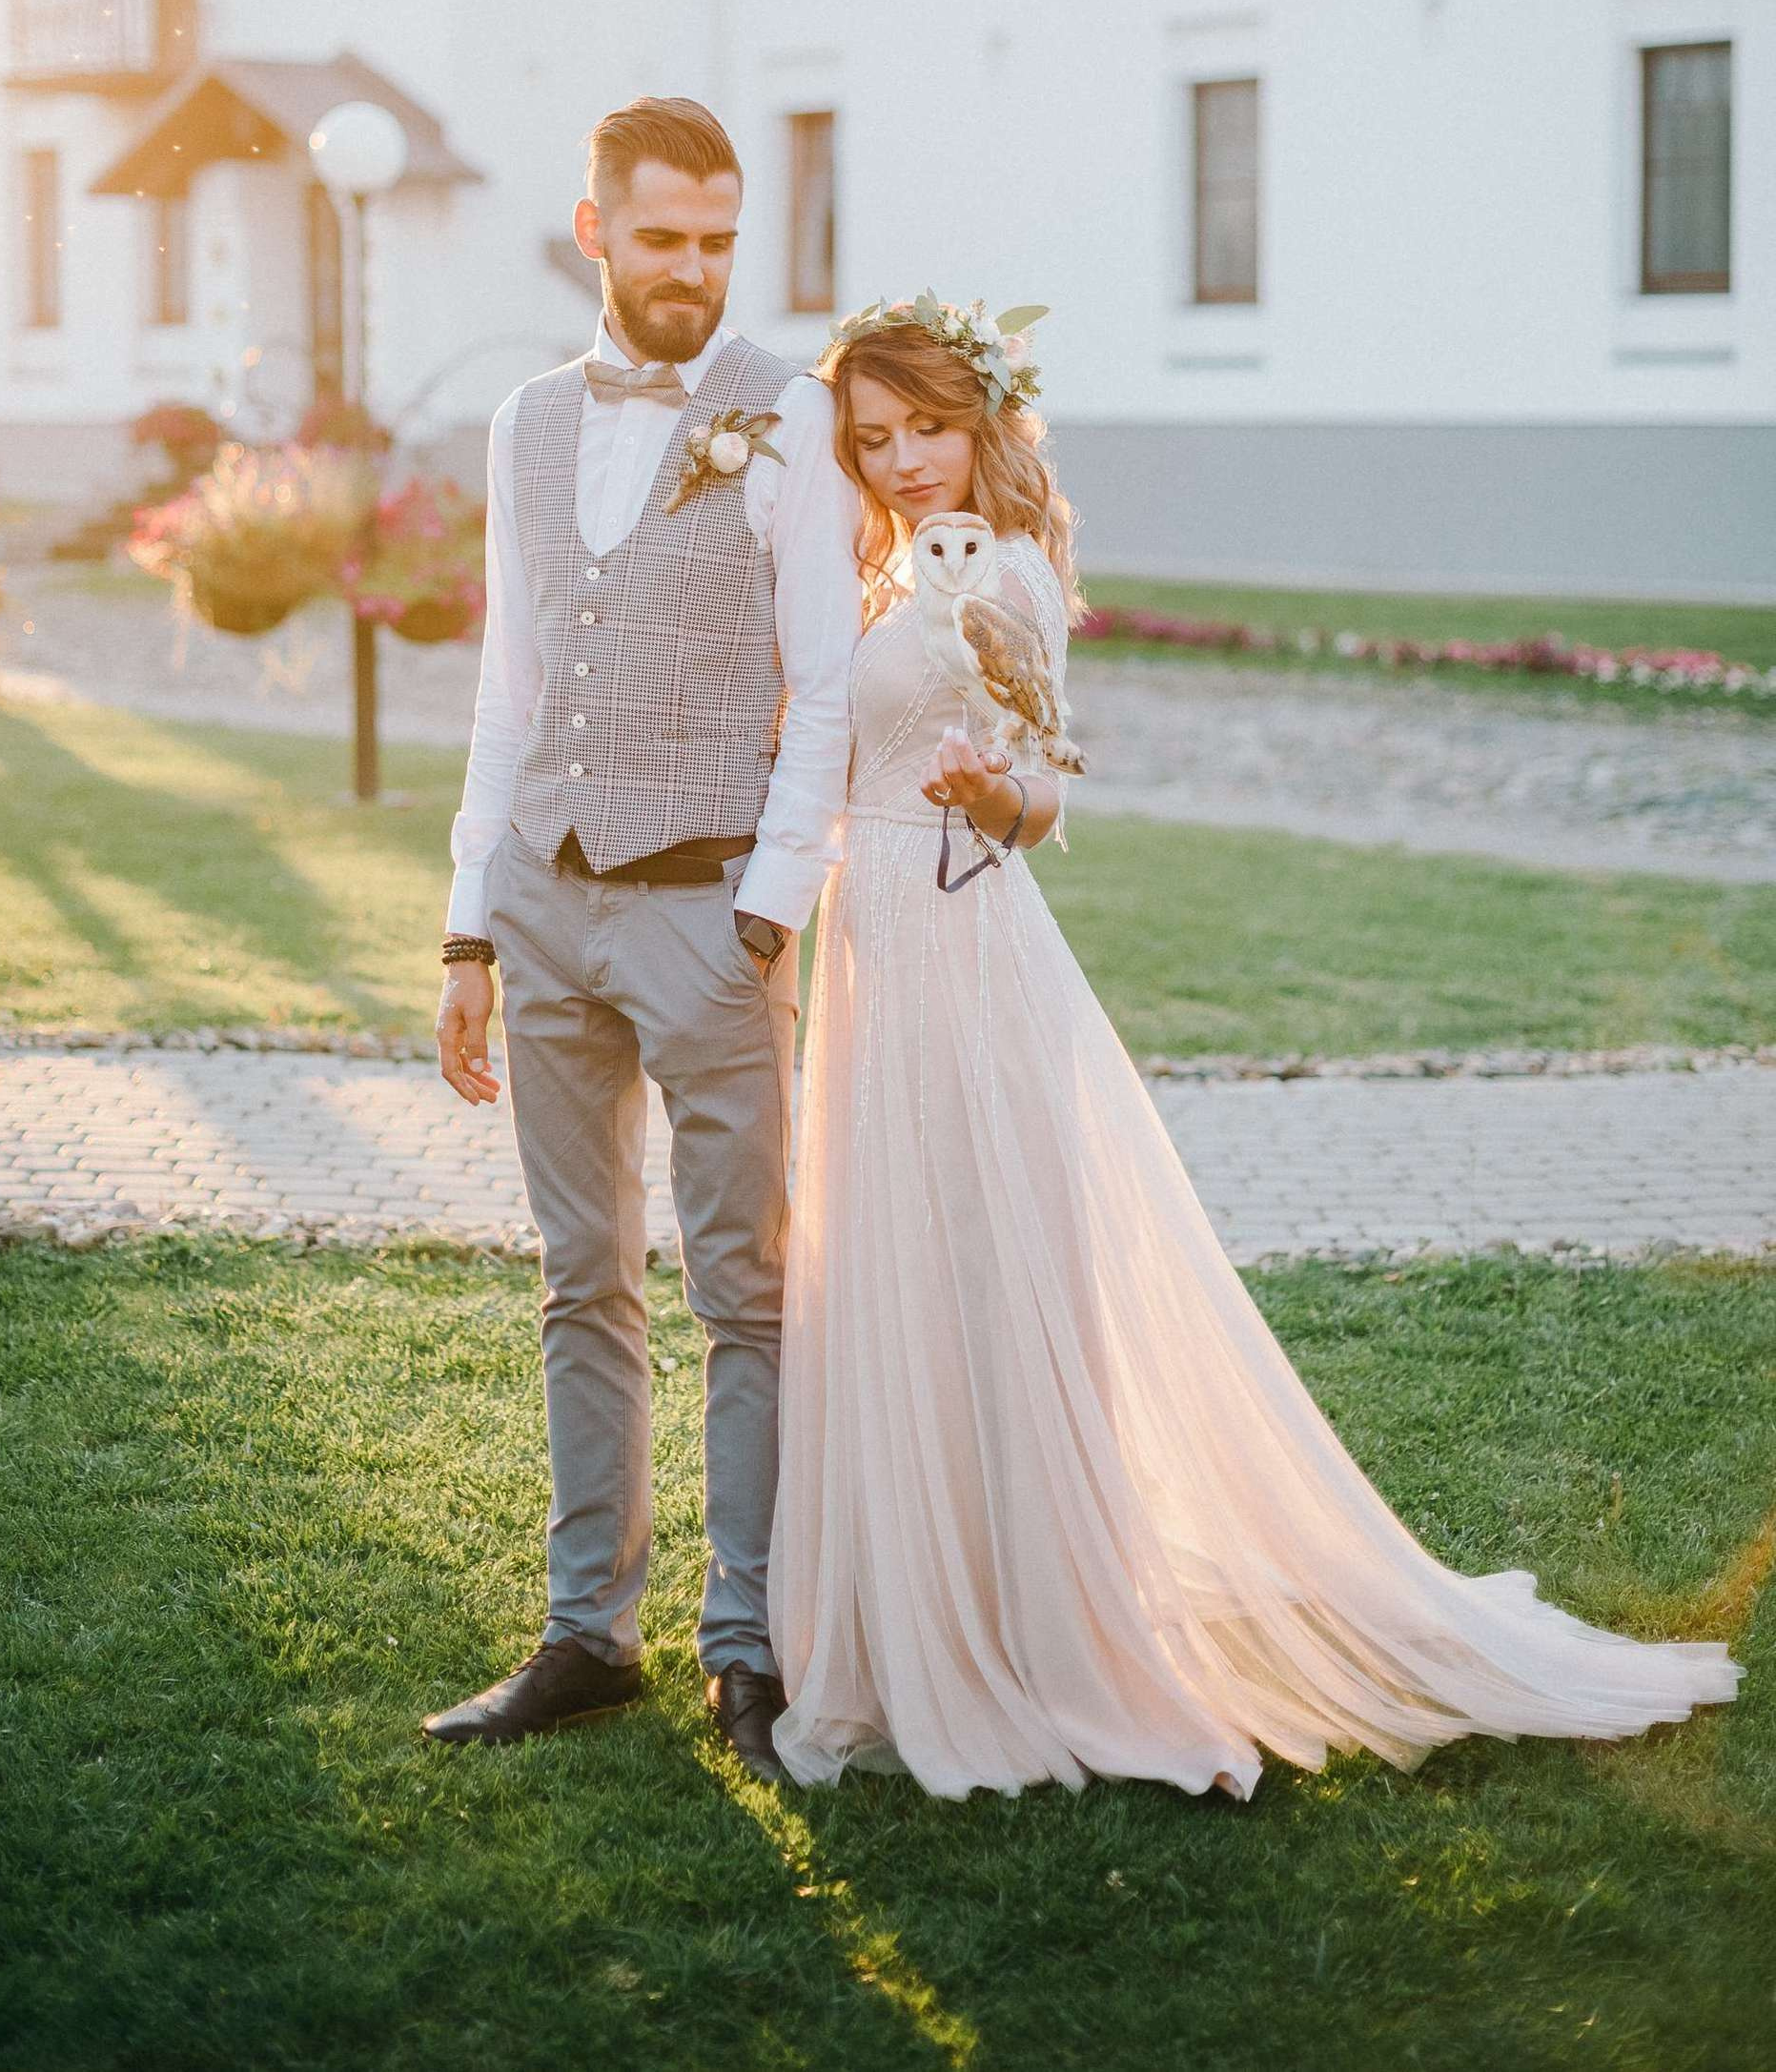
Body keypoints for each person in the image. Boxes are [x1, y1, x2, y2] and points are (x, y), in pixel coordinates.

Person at [767, 295, 1741, 1800]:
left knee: (985, 1259)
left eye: (929, 429)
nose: (903, 460)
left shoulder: (1003, 575)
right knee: (905, 1259)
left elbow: (1048, 792)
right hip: (872, 948)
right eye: (875, 437)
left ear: (981, 425)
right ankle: (926, 1599)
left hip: (959, 944)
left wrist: (989, 799)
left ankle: (1032, 1621)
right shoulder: (894, 567)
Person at [425, 96, 863, 1780]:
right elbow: (512, 682)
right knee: (580, 1278)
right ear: (596, 230)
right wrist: (470, 929)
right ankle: (584, 1637)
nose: (693, 270)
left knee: (745, 1292)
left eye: (718, 241)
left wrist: (768, 910)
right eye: (664, 237)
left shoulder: (790, 413)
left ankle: (746, 1648)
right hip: (543, 901)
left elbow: (826, 682)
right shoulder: (528, 421)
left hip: (710, 916)